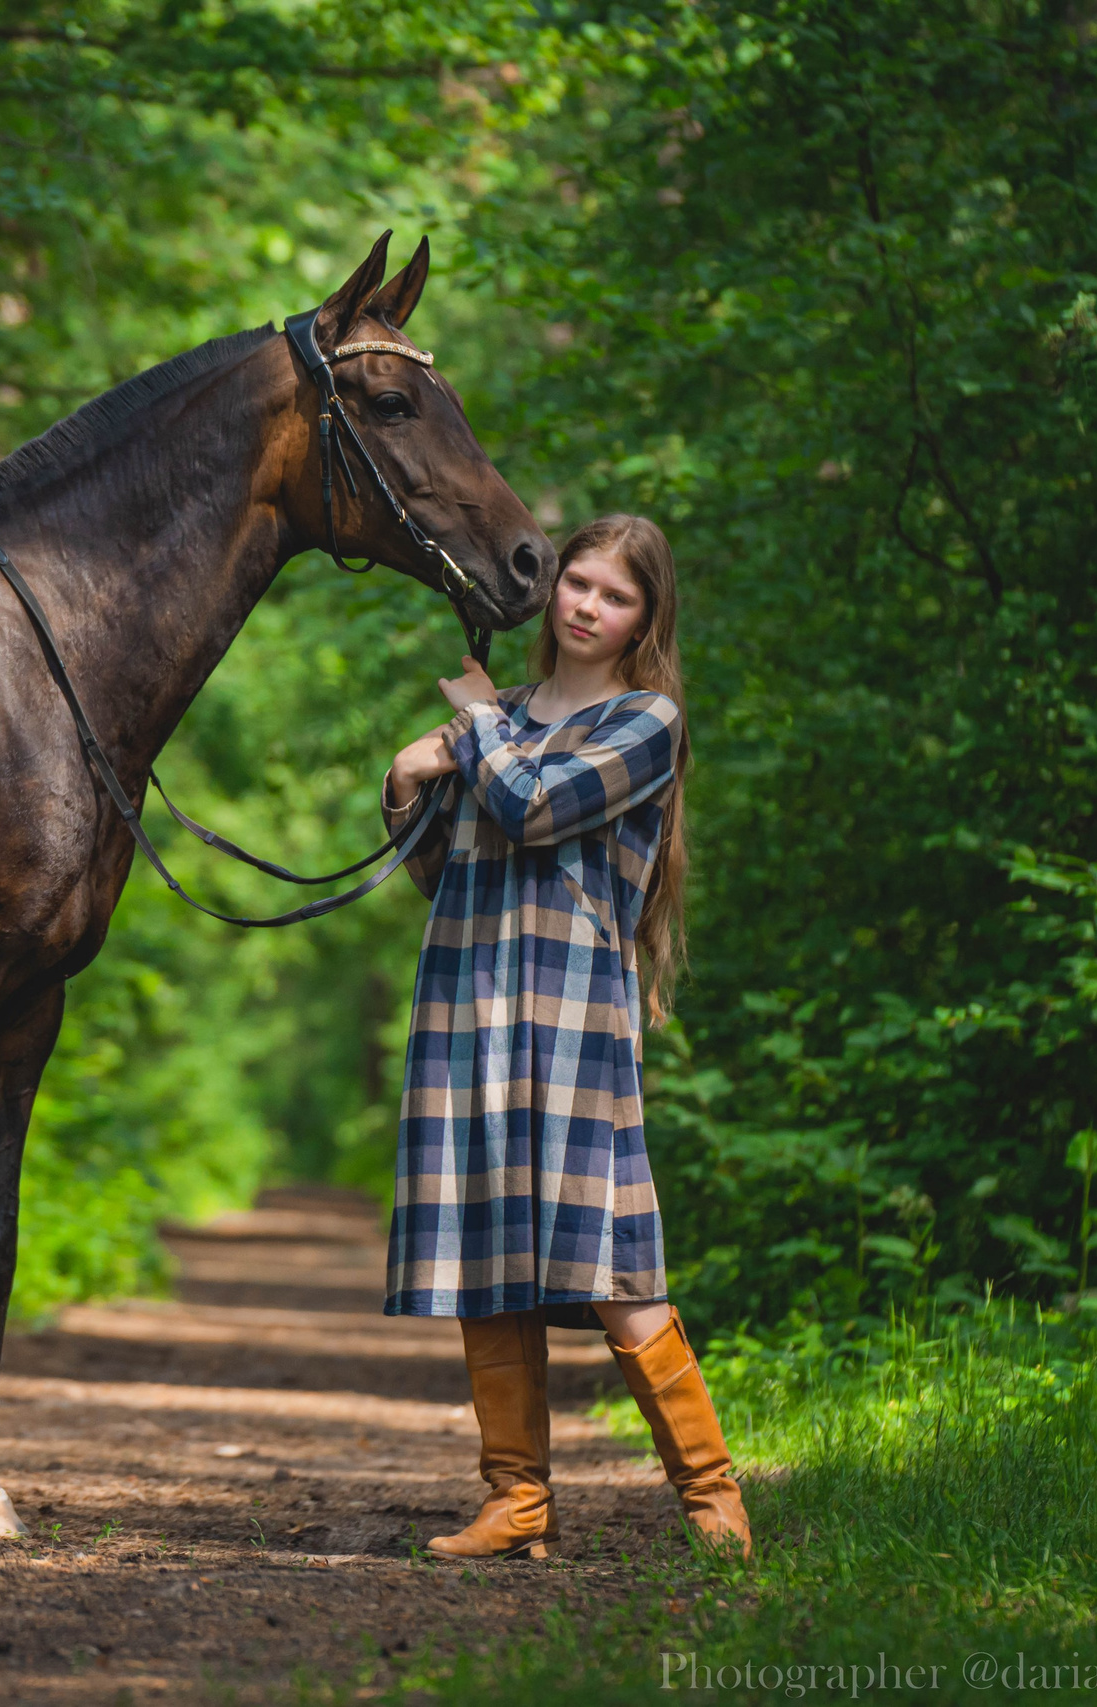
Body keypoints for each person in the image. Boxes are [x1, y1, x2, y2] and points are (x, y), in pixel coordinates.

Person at [379, 513, 749, 1561]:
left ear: (646, 615)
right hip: (467, 1000)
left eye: (614, 594)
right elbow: (444, 868)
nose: (586, 605)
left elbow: (536, 811)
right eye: (576, 583)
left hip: (574, 1017)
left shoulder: (646, 719)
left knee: (610, 1265)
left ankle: (713, 1500)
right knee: (485, 1257)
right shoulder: (502, 716)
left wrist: (471, 727)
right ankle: (516, 1502)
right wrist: (406, 782)